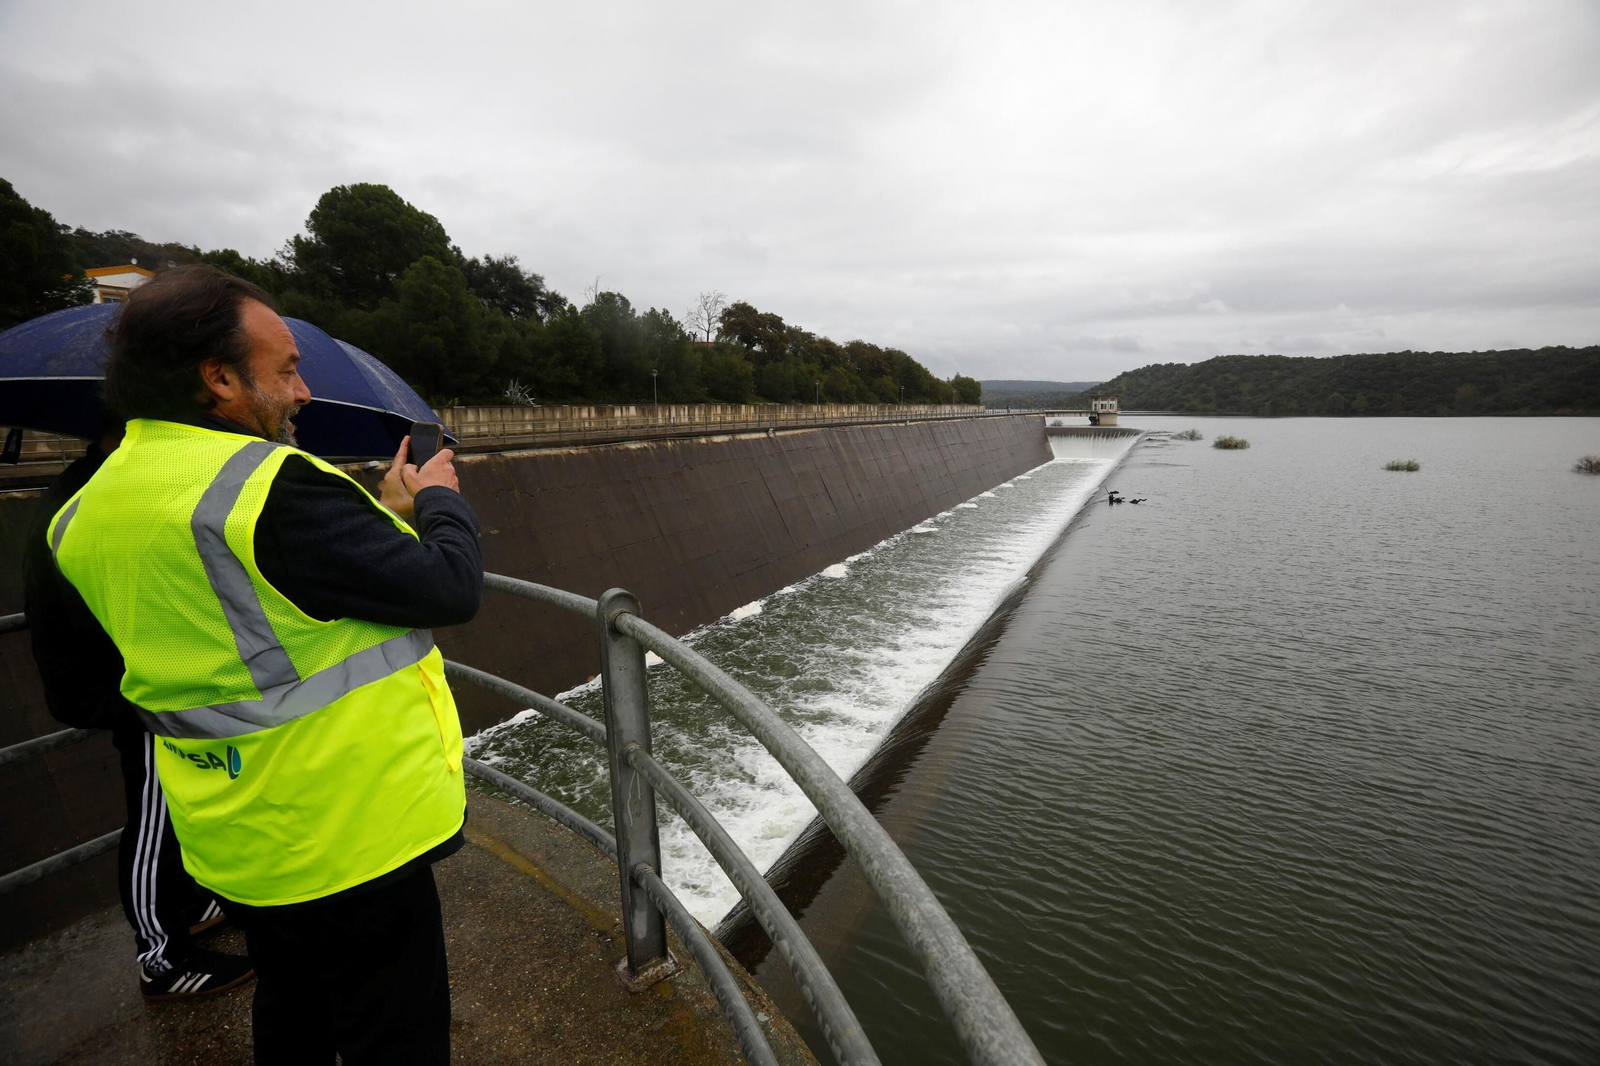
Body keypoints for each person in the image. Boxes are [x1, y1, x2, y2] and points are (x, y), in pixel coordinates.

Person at [43, 265, 482, 1064]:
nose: (304, 391)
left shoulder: (84, 509)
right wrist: (438, 500)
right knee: (398, 1033)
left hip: (237, 836)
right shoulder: (268, 487)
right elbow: (448, 587)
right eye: (285, 369)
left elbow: (247, 608)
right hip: (353, 830)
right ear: (218, 379)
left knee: (294, 1014)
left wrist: (375, 524)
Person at [24, 419, 252, 999]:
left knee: (174, 807)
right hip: (131, 690)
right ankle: (161, 957)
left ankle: (192, 903)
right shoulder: (91, 496)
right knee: (154, 814)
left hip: (135, 678)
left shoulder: (93, 484)